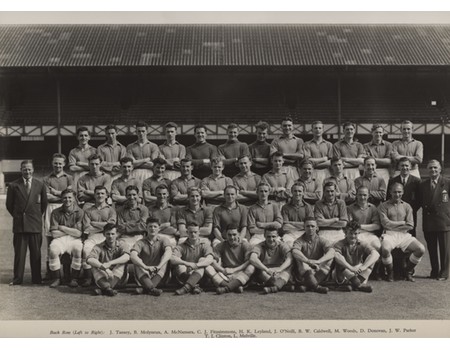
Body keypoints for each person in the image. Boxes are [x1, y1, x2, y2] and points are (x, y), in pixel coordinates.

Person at [6, 160, 48, 285]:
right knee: (20, 254)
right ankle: (17, 279)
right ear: (21, 170)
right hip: (20, 225)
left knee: (36, 253)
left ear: (33, 170)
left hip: (35, 224)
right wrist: (19, 216)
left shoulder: (40, 185)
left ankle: (36, 279)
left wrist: (34, 216)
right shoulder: (13, 185)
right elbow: (9, 205)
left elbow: (43, 205)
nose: (27, 171)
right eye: (25, 169)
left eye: (29, 169)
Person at [378, 183, 425, 282]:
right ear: (390, 192)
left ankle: (407, 271)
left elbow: (410, 225)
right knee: (385, 249)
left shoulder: (407, 206)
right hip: (389, 234)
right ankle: (390, 273)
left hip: (404, 235)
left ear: (403, 192)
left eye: (399, 192)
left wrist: (394, 224)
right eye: (394, 192)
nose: (397, 194)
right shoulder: (383, 206)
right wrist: (402, 223)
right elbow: (385, 224)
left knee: (420, 249)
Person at [417, 160, 450, 281]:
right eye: (430, 168)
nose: (433, 170)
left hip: (443, 220)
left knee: (444, 249)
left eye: (435, 168)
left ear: (440, 169)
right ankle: (434, 271)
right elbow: (420, 201)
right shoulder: (423, 185)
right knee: (431, 248)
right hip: (429, 220)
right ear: (427, 170)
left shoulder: (447, 183)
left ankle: (444, 273)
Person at [43, 153, 74, 278]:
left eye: (60, 163)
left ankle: (66, 272)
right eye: (55, 163)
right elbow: (47, 196)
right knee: (50, 239)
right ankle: (50, 272)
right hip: (51, 208)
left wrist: (56, 192)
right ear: (52, 163)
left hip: (65, 209)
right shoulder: (46, 178)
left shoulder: (69, 178)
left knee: (65, 237)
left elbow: (70, 194)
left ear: (64, 164)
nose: (58, 165)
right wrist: (63, 195)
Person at [81, 185, 116, 287]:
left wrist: (94, 223)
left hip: (107, 236)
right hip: (92, 236)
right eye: (97, 193)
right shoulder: (88, 210)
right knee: (86, 250)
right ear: (94, 195)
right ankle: (88, 278)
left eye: (102, 193)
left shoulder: (111, 210)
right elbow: (87, 228)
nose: (100, 195)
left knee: (107, 252)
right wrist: (104, 224)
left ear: (106, 195)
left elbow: (111, 226)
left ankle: (106, 277)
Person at [48, 189, 83, 288]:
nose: (67, 200)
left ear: (74, 199)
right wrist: (71, 230)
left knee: (77, 249)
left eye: (69, 197)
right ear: (61, 199)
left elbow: (79, 233)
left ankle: (74, 279)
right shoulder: (55, 212)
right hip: (60, 239)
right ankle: (57, 278)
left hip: (74, 239)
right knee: (53, 251)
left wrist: (62, 227)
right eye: (64, 198)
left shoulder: (80, 211)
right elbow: (54, 234)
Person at [205, 226, 255, 294]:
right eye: (229, 235)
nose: (232, 237)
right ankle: (234, 286)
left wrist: (234, 270)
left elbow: (248, 262)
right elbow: (213, 262)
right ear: (226, 235)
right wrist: (223, 270)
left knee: (251, 267)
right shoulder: (220, 245)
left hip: (240, 273)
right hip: (225, 274)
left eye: (234, 234)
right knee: (208, 268)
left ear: (239, 234)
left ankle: (227, 288)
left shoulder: (245, 245)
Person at [130, 218, 173, 296]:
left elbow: (169, 252)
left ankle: (146, 288)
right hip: (144, 274)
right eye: (150, 226)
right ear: (146, 228)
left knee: (165, 259)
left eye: (155, 226)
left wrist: (159, 266)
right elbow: (133, 255)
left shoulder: (164, 240)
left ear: (159, 228)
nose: (152, 229)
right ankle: (152, 289)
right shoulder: (140, 242)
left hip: (160, 274)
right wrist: (145, 267)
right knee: (137, 261)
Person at [333, 220, 379, 293]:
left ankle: (353, 285)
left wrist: (363, 267)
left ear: (359, 233)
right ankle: (358, 285)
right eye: (350, 233)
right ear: (345, 233)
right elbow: (336, 256)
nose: (353, 236)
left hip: (358, 271)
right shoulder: (339, 243)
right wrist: (351, 268)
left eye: (355, 233)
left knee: (372, 258)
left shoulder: (361, 243)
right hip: (344, 272)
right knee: (339, 259)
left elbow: (376, 254)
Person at [170, 222, 215, 295]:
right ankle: (194, 286)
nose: (193, 234)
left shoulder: (204, 244)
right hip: (185, 275)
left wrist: (196, 265)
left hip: (201, 277)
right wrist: (188, 264)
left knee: (203, 261)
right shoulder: (181, 246)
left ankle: (186, 288)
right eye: (191, 232)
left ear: (199, 232)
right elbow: (172, 259)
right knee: (179, 265)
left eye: (195, 232)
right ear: (187, 232)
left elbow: (210, 259)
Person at [291, 218, 334, 294]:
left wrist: (318, 261)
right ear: (304, 227)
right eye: (307, 226)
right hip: (305, 269)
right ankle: (316, 287)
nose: (310, 228)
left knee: (330, 258)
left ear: (317, 227)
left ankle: (307, 285)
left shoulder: (321, 240)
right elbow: (295, 251)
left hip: (318, 267)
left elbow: (332, 252)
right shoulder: (299, 240)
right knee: (298, 258)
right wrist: (308, 261)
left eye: (312, 226)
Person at [86, 223, 130, 297]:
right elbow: (89, 259)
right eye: (108, 234)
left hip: (119, 279)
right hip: (103, 277)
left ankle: (105, 289)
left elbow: (127, 257)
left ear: (117, 234)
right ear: (104, 234)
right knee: (94, 265)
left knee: (122, 263)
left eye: (113, 234)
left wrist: (110, 263)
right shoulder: (99, 246)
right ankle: (108, 289)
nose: (110, 236)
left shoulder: (122, 244)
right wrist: (104, 267)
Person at [249, 229, 293, 294]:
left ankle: (274, 287)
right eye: (268, 236)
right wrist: (266, 270)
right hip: (266, 271)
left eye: (273, 236)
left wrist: (280, 269)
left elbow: (290, 257)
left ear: (277, 236)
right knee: (255, 267)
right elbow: (252, 258)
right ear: (264, 236)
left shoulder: (282, 245)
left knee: (290, 265)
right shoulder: (260, 246)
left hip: (279, 272)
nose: (271, 239)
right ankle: (282, 286)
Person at [387, 157, 421, 237]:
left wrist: (411, 210)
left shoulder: (417, 181)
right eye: (402, 165)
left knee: (410, 235)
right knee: (395, 234)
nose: (404, 168)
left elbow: (419, 199)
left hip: (411, 213)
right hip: (395, 213)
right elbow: (388, 198)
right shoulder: (392, 181)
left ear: (410, 167)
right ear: (398, 167)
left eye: (406, 165)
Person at [347, 186, 382, 251]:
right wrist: (368, 227)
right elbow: (351, 226)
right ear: (356, 195)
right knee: (360, 247)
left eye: (364, 195)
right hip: (356, 235)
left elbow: (377, 226)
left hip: (370, 235)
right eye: (360, 195)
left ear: (368, 195)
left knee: (378, 246)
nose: (362, 197)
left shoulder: (372, 208)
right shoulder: (350, 208)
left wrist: (360, 226)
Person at [281, 182, 314, 247]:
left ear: (303, 193)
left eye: (299, 191)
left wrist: (291, 223)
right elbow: (285, 227)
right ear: (291, 192)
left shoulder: (308, 207)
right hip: (290, 234)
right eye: (295, 191)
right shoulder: (285, 207)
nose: (297, 193)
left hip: (305, 233)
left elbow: (311, 225)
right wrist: (303, 225)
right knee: (288, 245)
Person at [116, 185, 148, 251]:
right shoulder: (120, 210)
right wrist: (136, 224)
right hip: (124, 237)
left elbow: (143, 226)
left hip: (139, 237)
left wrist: (126, 224)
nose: (132, 197)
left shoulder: (144, 209)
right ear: (126, 196)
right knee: (123, 251)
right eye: (129, 195)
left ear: (138, 195)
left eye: (134, 195)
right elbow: (120, 227)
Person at [303, 120, 333, 186]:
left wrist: (313, 164)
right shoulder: (307, 144)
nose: (318, 130)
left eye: (320, 128)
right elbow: (308, 160)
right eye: (315, 128)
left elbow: (330, 162)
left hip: (326, 172)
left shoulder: (329, 144)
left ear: (323, 130)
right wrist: (323, 159)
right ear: (312, 130)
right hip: (312, 173)